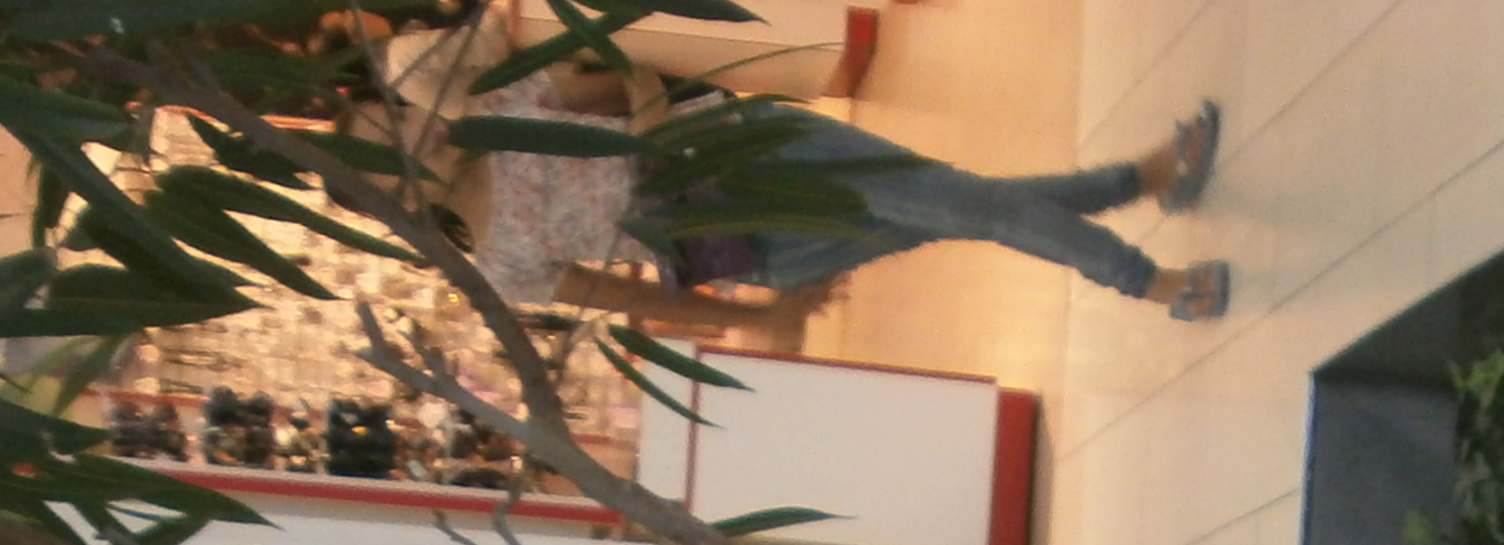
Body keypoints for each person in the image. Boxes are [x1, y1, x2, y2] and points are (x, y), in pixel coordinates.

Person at [470, 58, 1233, 327]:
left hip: (753, 154)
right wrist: (761, 316)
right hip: (757, 244)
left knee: (966, 205)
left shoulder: (499, 110)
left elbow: (637, 81)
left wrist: (648, 143)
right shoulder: (499, 263)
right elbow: (633, 297)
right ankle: (1139, 181)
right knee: (962, 208)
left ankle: (1149, 280)